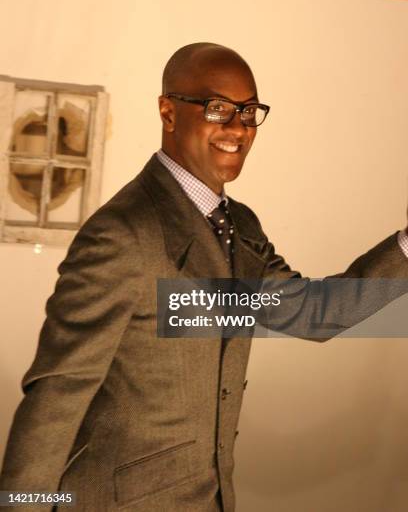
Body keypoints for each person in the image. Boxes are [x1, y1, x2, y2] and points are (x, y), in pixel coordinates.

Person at [0, 43, 407, 512]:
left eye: (249, 111)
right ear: (168, 112)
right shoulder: (122, 235)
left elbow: (316, 314)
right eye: (217, 108)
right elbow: (55, 400)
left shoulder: (241, 226)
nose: (238, 127)